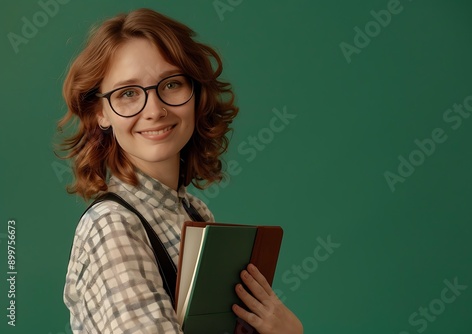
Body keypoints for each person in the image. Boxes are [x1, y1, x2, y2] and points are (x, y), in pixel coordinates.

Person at [58, 8, 303, 334]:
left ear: (196, 93)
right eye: (128, 93)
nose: (155, 110)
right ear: (101, 111)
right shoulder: (112, 227)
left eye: (171, 84)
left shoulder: (195, 212)